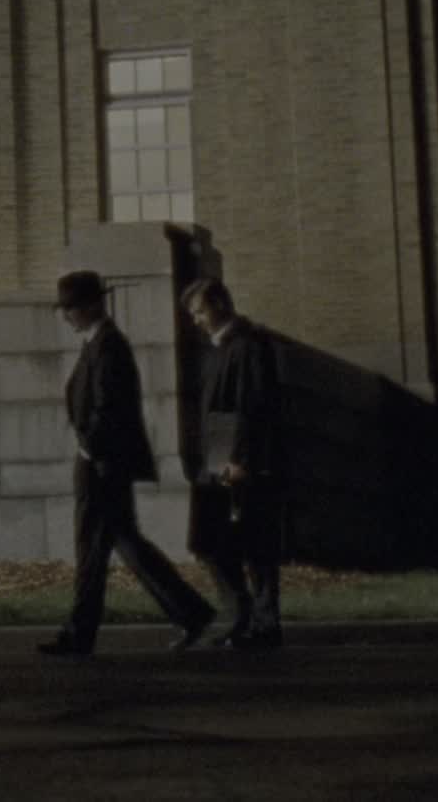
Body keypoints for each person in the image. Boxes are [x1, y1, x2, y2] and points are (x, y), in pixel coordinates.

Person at [35, 269, 217, 657]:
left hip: (101, 464)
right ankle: (189, 612)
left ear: (90, 306)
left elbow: (108, 407)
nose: (66, 316)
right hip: (103, 462)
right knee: (123, 542)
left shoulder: (108, 346)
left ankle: (81, 633)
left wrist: (89, 448)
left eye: (70, 308)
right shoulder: (99, 344)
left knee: (94, 547)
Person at [181, 277, 286, 649]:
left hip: (240, 461)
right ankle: (242, 614)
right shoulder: (219, 349)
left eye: (200, 311)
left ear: (220, 305)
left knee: (256, 545)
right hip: (217, 457)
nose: (196, 320)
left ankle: (264, 623)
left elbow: (251, 405)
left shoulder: (248, 346)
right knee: (209, 540)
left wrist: (242, 460)